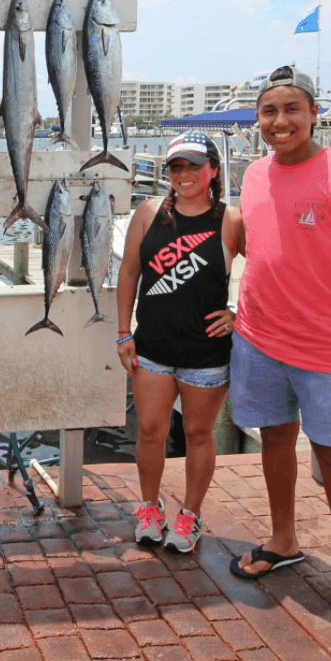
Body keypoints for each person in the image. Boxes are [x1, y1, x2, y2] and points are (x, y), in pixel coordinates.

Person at [227, 65, 331, 623]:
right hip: (257, 338)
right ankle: (283, 539)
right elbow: (259, 247)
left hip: (327, 346)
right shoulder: (253, 174)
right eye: (269, 111)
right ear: (258, 118)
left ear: (314, 114)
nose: (280, 121)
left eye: (292, 109)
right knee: (275, 440)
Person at [116, 131, 244, 554]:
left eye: (194, 166)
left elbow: (269, 269)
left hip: (205, 352)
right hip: (152, 346)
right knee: (150, 430)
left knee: (198, 434)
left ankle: (191, 514)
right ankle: (149, 507)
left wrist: (240, 315)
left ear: (214, 170)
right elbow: (129, 272)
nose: (184, 175)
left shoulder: (231, 220)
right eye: (176, 167)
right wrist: (123, 331)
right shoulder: (148, 212)